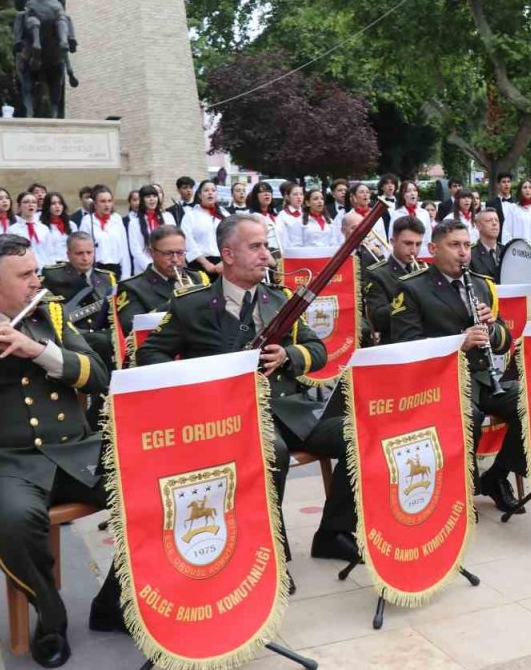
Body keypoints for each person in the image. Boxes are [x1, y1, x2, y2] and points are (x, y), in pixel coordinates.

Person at [0, 234, 122, 667]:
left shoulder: (49, 318)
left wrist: (44, 353)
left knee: (156, 485)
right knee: (16, 520)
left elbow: (99, 375)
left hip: (75, 452)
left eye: (36, 271)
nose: (39, 280)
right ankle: (50, 615)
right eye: (28, 274)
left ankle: (113, 602)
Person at [137, 216, 357, 569]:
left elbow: (318, 349)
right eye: (254, 247)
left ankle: (334, 533)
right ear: (227, 254)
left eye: (266, 247)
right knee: (273, 452)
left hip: (290, 410)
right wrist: (199, 381)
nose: (266, 256)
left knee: (356, 435)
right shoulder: (191, 305)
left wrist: (289, 355)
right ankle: (267, 545)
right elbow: (149, 354)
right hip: (233, 415)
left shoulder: (280, 299)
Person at [390, 219, 526, 512]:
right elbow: (406, 345)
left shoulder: (481, 284)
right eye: (454, 245)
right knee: (469, 417)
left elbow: (505, 339)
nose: (463, 252)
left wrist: (490, 330)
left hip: (482, 379)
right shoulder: (413, 289)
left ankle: (497, 475)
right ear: (433, 249)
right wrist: (457, 342)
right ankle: (459, 492)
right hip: (438, 382)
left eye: (467, 245)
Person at [42, 232, 118, 374]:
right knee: (101, 341)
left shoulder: (106, 278)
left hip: (101, 333)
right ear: (68, 254)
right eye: (79, 253)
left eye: (89, 253)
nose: (85, 258)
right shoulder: (53, 276)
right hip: (72, 335)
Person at [115, 225, 210, 335]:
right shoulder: (132, 287)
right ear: (152, 253)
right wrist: (177, 301)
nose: (175, 259)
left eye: (180, 253)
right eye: (168, 254)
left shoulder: (197, 277)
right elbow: (131, 327)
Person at [364, 216, 425, 342]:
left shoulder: (424, 269)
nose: (414, 250)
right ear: (393, 242)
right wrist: (411, 301)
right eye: (408, 243)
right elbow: (377, 319)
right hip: (396, 342)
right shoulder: (377, 274)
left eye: (418, 244)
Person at [77, 186, 128, 278]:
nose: (107, 205)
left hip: (115, 268)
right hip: (96, 269)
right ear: (95, 204)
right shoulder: (87, 221)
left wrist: (126, 274)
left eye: (109, 201)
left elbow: (124, 248)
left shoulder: (117, 219)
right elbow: (82, 247)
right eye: (103, 201)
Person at [127, 185, 176, 276]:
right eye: (148, 197)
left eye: (154, 196)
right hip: (144, 270)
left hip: (166, 266)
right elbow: (136, 250)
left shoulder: (168, 217)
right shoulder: (134, 223)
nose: (152, 199)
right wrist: (152, 267)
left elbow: (174, 242)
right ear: (142, 200)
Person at [8, 191, 51, 266]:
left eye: (34, 202)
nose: (31, 205)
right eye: (26, 202)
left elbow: (49, 251)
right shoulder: (12, 230)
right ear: (19, 206)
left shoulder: (44, 228)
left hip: (44, 267)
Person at [500, 179, 531, 243]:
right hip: (518, 248)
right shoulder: (513, 208)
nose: (527, 190)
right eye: (525, 187)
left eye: (530, 187)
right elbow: (507, 231)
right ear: (520, 190)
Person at [469, 207, 504, 279]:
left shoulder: (505, 251)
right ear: (478, 226)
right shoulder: (471, 254)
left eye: (497, 220)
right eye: (489, 221)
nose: (494, 223)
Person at [39, 192, 72, 265]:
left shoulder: (71, 224)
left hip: (69, 263)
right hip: (52, 264)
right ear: (47, 206)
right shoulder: (41, 226)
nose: (57, 206)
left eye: (60, 203)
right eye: (53, 204)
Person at [274, 182, 306, 249]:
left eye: (301, 194)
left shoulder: (307, 213)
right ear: (288, 197)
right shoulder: (282, 216)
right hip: (291, 253)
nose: (299, 197)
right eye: (295, 194)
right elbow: (281, 237)